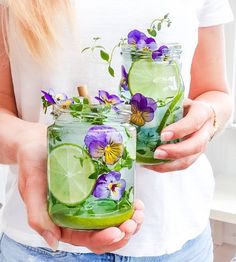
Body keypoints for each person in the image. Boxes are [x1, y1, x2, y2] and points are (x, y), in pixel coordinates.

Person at [0, 0, 233, 261]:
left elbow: (214, 92)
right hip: (40, 248)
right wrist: (25, 142)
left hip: (178, 239)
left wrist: (209, 119)